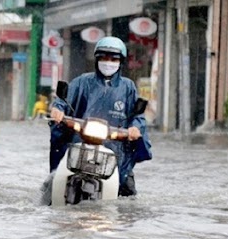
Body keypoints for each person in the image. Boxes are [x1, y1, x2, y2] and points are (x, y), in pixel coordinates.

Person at [49, 36, 152, 196]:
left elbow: (137, 116)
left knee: (127, 192)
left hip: (115, 145)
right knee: (54, 181)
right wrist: (58, 110)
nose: (108, 62)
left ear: (120, 62)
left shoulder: (128, 87)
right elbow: (63, 100)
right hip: (80, 141)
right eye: (104, 57)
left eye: (113, 59)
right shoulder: (83, 81)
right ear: (97, 59)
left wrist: (135, 128)